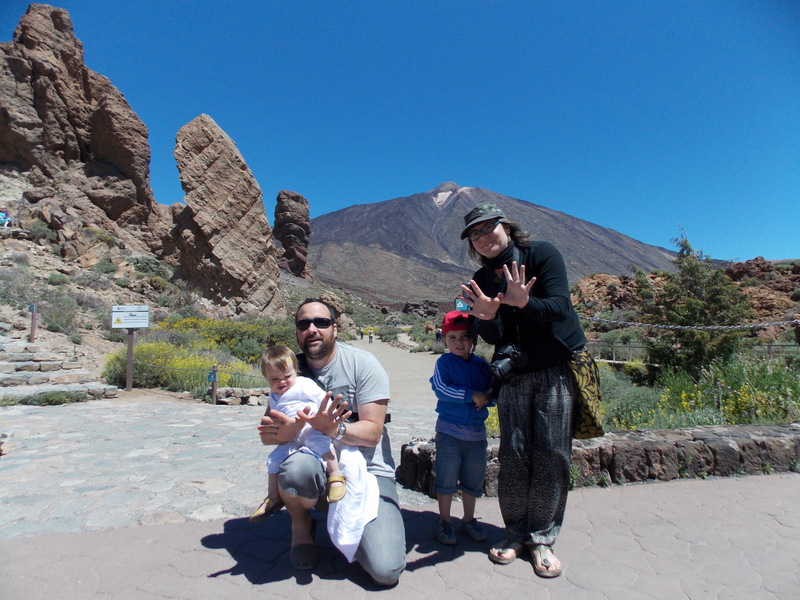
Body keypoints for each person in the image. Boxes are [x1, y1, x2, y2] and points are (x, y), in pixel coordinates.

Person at [458, 202, 586, 578]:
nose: (484, 237)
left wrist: (525, 301)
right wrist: (487, 317)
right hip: (513, 374)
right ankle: (514, 531)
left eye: (488, 228)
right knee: (514, 452)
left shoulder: (542, 255)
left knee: (552, 452)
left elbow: (561, 307)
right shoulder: (481, 279)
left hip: (553, 368)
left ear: (506, 227)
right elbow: (494, 337)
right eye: (475, 234)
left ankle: (542, 538)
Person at [257, 299, 406, 586]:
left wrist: (334, 430)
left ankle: (350, 525)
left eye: (321, 323)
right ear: (297, 333)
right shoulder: (289, 372)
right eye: (304, 325)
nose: (312, 329)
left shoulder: (362, 364)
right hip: (314, 461)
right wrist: (285, 434)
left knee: (385, 570)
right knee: (296, 469)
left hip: (368, 467)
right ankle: (301, 525)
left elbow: (373, 432)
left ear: (335, 328)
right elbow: (268, 434)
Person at [249, 345, 346, 523]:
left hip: (311, 427)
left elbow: (322, 398)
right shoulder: (274, 396)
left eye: (287, 376)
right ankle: (273, 496)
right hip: (292, 437)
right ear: (265, 378)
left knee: (321, 444)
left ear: (296, 371)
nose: (282, 382)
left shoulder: (303, 385)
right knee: (274, 459)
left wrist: (327, 417)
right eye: (274, 379)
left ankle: (335, 475)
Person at [429, 310, 494, 546]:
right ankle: (444, 521)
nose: (459, 342)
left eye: (465, 336)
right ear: (444, 340)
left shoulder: (482, 366)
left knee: (473, 479)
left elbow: (490, 391)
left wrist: (488, 397)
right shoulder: (443, 363)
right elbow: (440, 388)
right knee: (446, 478)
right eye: (453, 337)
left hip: (476, 434)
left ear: (474, 339)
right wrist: (470, 395)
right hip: (449, 432)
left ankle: (469, 519)